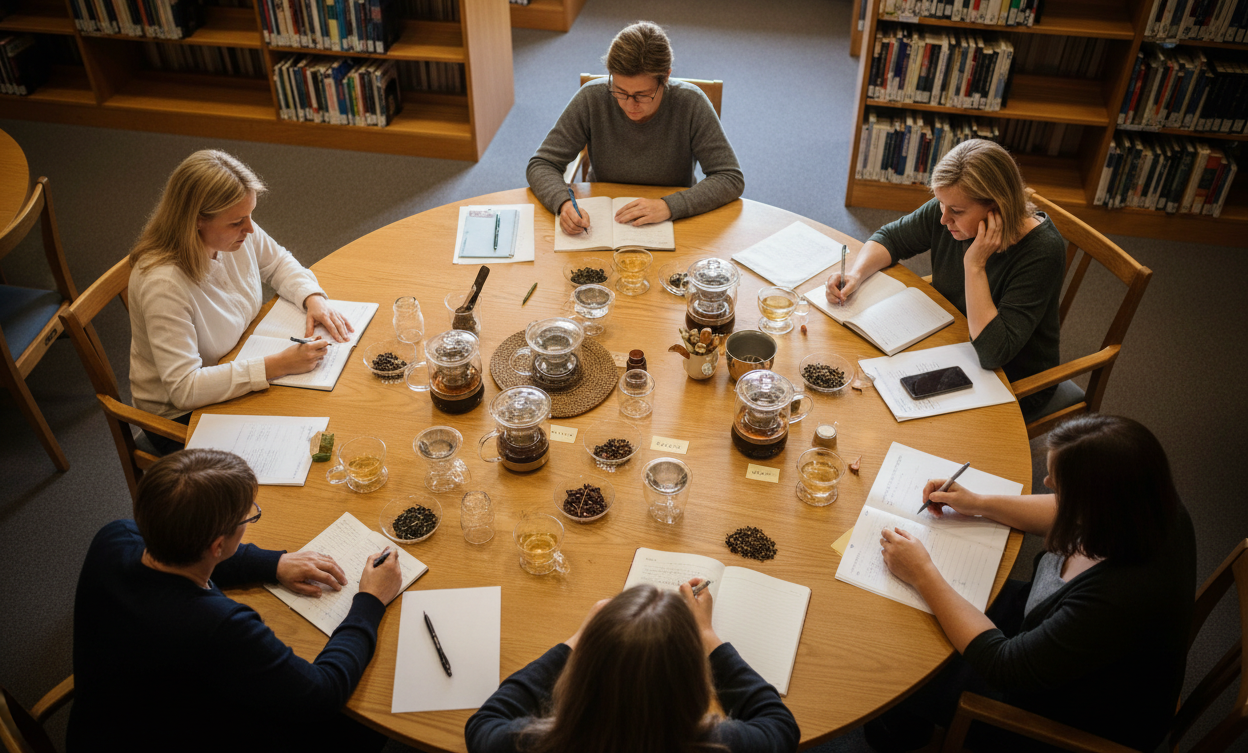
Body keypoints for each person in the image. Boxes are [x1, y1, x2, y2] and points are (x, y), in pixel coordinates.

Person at [868, 414, 1196, 751]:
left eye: (1057, 486)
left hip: (1061, 716)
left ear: (1090, 506)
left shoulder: (1117, 598)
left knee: (900, 668)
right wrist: (979, 504)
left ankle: (900, 737)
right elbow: (1060, 510)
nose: (1047, 483)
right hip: (1050, 634)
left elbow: (1004, 666)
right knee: (913, 613)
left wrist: (923, 573)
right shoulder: (1144, 507)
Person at [67, 448, 402, 752]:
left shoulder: (115, 536)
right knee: (370, 717)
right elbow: (321, 695)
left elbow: (183, 552)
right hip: (187, 736)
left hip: (105, 725)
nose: (250, 521)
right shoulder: (218, 625)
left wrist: (273, 564)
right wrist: (370, 600)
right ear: (217, 546)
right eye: (248, 518)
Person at [128, 149, 353, 453]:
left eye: (250, 216)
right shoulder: (164, 285)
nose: (249, 229)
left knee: (331, 410)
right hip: (181, 416)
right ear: (196, 221)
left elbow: (277, 263)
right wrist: (277, 365)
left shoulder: (232, 231)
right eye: (236, 223)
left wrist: (312, 297)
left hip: (236, 357)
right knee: (300, 444)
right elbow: (184, 389)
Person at [826, 139, 1064, 421]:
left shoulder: (1043, 251)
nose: (943, 219)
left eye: (957, 211)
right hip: (950, 337)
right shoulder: (952, 209)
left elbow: (992, 353)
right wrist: (856, 273)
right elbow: (891, 238)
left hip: (1010, 380)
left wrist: (974, 265)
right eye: (941, 204)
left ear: (997, 207)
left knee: (888, 409)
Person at [464, 581, 799, 753]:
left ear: (582, 673)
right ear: (694, 682)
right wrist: (708, 637)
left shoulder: (538, 743)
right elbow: (781, 726)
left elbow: (483, 724)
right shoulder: (719, 744)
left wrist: (576, 640)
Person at [527, 21, 745, 236]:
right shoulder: (592, 97)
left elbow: (729, 177)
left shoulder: (691, 103)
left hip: (671, 220)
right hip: (602, 218)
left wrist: (669, 206)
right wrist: (563, 203)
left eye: (642, 95)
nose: (630, 105)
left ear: (666, 77)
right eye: (620, 91)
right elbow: (542, 164)